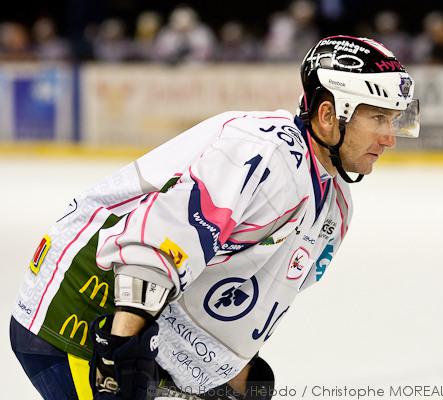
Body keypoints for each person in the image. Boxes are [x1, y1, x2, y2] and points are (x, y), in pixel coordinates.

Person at [10, 35, 420, 400]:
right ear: (329, 115)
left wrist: (235, 378)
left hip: (149, 338)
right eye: (379, 118)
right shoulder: (263, 154)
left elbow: (250, 304)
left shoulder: (336, 206)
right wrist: (121, 359)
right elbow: (161, 241)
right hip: (77, 319)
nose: (389, 138)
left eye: (394, 120)